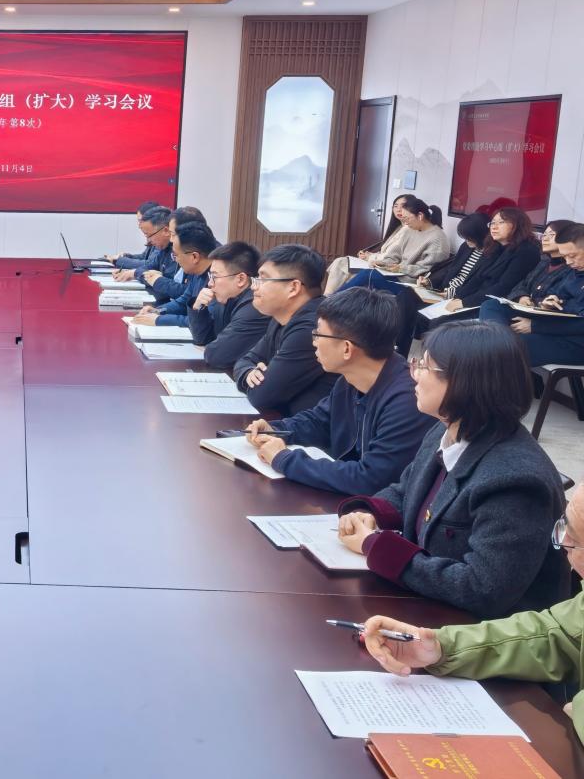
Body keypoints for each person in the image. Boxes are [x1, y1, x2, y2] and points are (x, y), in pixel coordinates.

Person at [335, 321, 568, 619]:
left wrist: (375, 546)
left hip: (481, 630)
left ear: (466, 383)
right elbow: (407, 491)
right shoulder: (446, 430)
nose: (414, 374)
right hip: (429, 605)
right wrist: (369, 514)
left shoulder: (515, 480)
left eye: (425, 366)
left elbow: (483, 588)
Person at [356, 485, 584, 744]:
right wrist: (442, 647)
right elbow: (559, 633)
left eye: (575, 540)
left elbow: (482, 586)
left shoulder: (518, 481)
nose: (564, 547)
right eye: (565, 528)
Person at [245, 289, 435, 495]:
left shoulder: (408, 399)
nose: (313, 342)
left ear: (346, 348)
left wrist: (284, 459)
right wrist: (275, 429)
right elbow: (320, 421)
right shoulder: (350, 378)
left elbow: (371, 479)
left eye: (318, 334)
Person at [233, 244, 338, 415]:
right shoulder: (281, 317)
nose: (253, 286)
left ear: (293, 287)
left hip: (313, 428)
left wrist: (255, 376)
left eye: (263, 279)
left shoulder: (313, 328)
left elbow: (262, 395)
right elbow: (246, 359)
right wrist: (247, 373)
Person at [479, 221, 584, 366]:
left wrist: (535, 326)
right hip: (553, 323)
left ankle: (497, 344)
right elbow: (555, 293)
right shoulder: (575, 272)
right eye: (565, 256)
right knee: (492, 306)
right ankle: (498, 339)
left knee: (510, 348)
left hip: (575, 340)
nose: (569, 262)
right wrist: (548, 303)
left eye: (573, 256)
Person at [392, 212, 492, 355]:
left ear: (480, 235)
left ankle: (418, 355)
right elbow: (451, 270)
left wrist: (451, 293)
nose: (466, 241)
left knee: (427, 316)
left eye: (469, 238)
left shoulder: (491, 255)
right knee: (406, 296)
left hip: (458, 298)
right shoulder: (466, 247)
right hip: (443, 292)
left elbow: (479, 284)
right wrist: (430, 281)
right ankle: (399, 348)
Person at [335, 198, 451, 293]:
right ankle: (332, 302)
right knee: (366, 273)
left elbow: (427, 271)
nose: (405, 223)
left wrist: (400, 268)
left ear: (420, 215)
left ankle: (331, 301)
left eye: (407, 218)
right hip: (397, 274)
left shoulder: (437, 239)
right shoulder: (409, 230)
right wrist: (383, 263)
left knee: (368, 276)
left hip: (411, 283)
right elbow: (395, 254)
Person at [187, 241, 271, 370]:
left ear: (241, 279)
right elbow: (203, 339)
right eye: (210, 276)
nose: (210, 283)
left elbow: (217, 356)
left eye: (215, 276)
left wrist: (210, 347)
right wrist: (198, 309)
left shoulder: (254, 308)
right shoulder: (227, 298)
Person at [323, 193, 416, 294]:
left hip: (386, 268)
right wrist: (369, 255)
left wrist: (369, 257)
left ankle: (328, 298)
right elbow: (386, 252)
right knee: (340, 262)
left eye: (403, 206)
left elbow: (393, 257)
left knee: (342, 264)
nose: (398, 210)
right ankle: (328, 297)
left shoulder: (409, 230)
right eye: (396, 206)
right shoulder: (398, 228)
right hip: (378, 263)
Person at [130, 222, 217, 327]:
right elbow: (183, 302)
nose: (175, 260)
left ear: (194, 257)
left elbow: (207, 322)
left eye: (175, 255)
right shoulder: (197, 271)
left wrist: (159, 320)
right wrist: (157, 311)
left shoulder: (217, 279)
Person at [139, 207, 207, 300]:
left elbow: (187, 295)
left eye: (173, 234)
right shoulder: (169, 248)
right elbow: (185, 298)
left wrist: (159, 280)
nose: (171, 239)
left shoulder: (208, 258)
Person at [109, 205, 174, 284]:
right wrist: (132, 272)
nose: (148, 240)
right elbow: (149, 266)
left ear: (166, 231)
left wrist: (156, 279)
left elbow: (170, 284)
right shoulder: (164, 249)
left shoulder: (176, 249)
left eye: (149, 235)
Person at [105, 201, 164, 268]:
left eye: (141, 221)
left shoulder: (160, 239)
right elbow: (144, 257)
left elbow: (149, 264)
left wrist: (118, 260)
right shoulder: (153, 236)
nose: (139, 226)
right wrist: (126, 256)